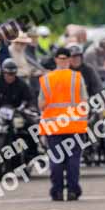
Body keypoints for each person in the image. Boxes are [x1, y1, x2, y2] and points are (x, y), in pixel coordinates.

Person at [38, 48, 89, 201]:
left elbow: (41, 104)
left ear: (55, 60)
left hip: (53, 127)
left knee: (56, 159)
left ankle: (57, 191)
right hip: (75, 125)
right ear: (69, 60)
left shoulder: (46, 79)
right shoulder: (77, 78)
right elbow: (85, 101)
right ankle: (73, 191)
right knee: (73, 160)